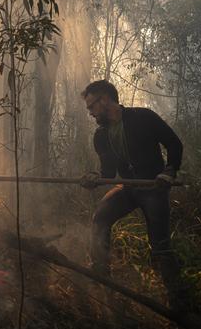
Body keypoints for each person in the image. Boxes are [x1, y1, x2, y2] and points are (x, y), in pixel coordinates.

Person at [79, 79, 189, 311]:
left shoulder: (143, 117)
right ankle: (101, 277)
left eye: (91, 106)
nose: (89, 112)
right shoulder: (101, 136)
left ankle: (179, 300)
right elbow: (107, 172)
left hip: (153, 188)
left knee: (159, 244)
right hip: (128, 188)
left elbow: (174, 144)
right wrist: (93, 178)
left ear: (105, 99)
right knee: (100, 218)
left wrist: (169, 171)